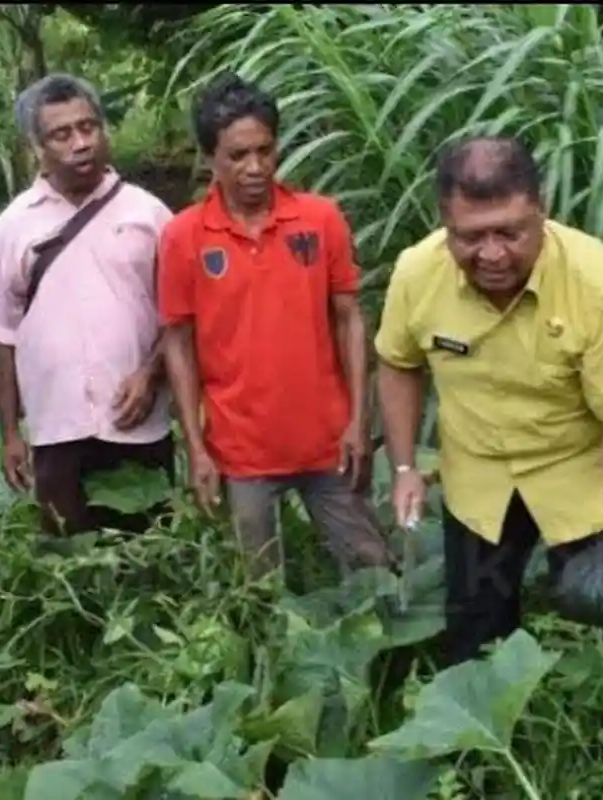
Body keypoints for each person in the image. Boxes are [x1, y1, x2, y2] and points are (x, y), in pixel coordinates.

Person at [374, 135, 603, 666]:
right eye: (471, 237)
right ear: (444, 223)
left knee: (600, 643)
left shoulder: (599, 282)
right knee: (476, 642)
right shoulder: (417, 274)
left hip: (578, 479)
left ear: (541, 212)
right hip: (477, 480)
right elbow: (398, 363)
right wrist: (405, 467)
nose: (492, 254)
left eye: (510, 232)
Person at [158, 74, 390, 579]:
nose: (255, 167)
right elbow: (178, 342)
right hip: (240, 451)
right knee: (257, 587)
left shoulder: (320, 219)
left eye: (265, 150)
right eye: (237, 155)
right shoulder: (183, 237)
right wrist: (196, 447)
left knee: (372, 568)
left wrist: (359, 419)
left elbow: (350, 317)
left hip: (329, 441)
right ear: (210, 158)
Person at [0, 74, 175, 537]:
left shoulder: (149, 214)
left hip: (140, 424)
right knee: (68, 554)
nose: (81, 143)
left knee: (149, 553)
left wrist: (150, 374)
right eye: (62, 134)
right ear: (37, 147)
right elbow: (2, 336)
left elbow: (181, 317)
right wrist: (11, 434)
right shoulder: (13, 226)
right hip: (57, 430)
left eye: (88, 127)